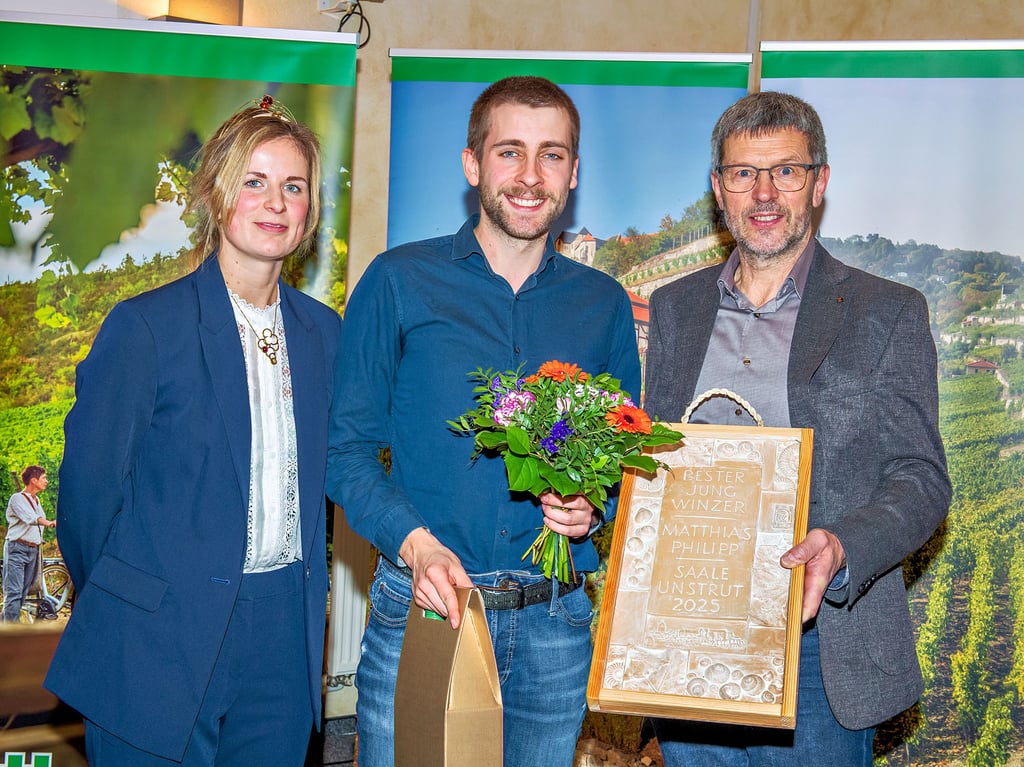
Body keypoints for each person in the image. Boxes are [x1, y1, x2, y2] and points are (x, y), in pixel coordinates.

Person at [327, 75, 641, 767]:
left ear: (575, 171)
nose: (531, 176)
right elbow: (345, 452)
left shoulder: (605, 305)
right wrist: (415, 544)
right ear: (473, 165)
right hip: (426, 608)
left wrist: (596, 506)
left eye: (552, 155)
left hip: (556, 624)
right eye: (510, 152)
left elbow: (626, 465)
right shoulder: (398, 281)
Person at [644, 91, 951, 765]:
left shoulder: (886, 311)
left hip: (820, 648)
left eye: (785, 170)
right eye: (742, 173)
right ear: (718, 189)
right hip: (690, 640)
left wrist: (842, 544)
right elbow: (655, 460)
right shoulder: (674, 309)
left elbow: (921, 479)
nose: (763, 192)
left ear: (819, 183)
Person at [44, 97, 342, 767]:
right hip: (155, 637)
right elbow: (88, 500)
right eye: (256, 182)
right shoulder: (145, 328)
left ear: (310, 208)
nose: (275, 202)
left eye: (293, 186)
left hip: (281, 643)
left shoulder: (326, 335)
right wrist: (135, 603)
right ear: (215, 192)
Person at [3, 465, 56, 622]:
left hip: (32, 550)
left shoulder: (36, 500)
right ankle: (11, 634)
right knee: (14, 592)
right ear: (33, 480)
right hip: (17, 549)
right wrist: (49, 523)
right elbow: (30, 518)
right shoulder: (17, 498)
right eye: (43, 478)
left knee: (23, 592)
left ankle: (5, 629)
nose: (46, 481)